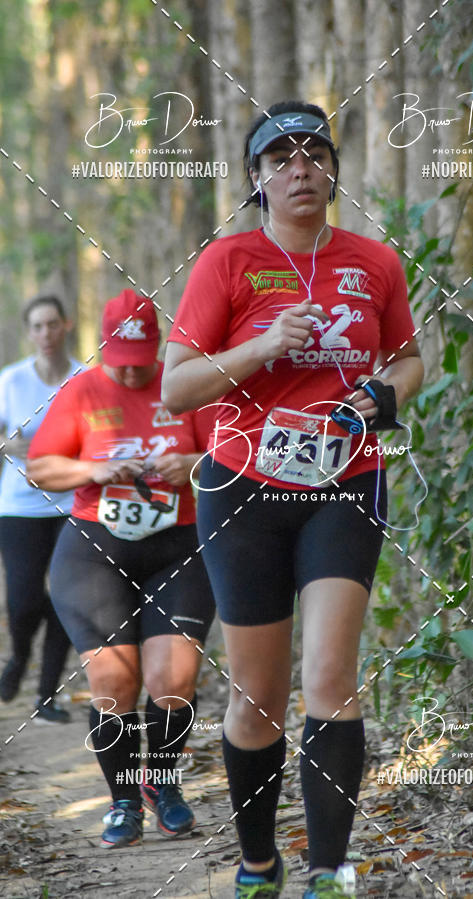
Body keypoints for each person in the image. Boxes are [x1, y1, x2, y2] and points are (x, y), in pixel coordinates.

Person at [161, 100, 424, 898]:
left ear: (333, 170)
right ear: (258, 180)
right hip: (242, 489)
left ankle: (330, 873)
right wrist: (266, 345)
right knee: (257, 697)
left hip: (345, 483)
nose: (300, 167)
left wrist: (383, 390)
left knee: (333, 675)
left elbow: (410, 357)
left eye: (313, 153)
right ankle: (257, 862)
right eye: (281, 158)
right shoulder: (228, 263)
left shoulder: (374, 262)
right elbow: (176, 387)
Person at [27, 289, 215, 848]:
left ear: (157, 348)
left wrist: (193, 463)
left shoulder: (183, 386)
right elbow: (40, 468)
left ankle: (163, 785)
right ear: (103, 348)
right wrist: (98, 468)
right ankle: (124, 801)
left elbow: (233, 456)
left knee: (173, 681)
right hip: (95, 550)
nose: (131, 376)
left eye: (141, 364)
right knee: (113, 683)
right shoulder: (82, 389)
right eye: (121, 364)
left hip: (178, 545)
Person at [0, 295, 82, 723]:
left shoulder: (85, 379)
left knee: (67, 597)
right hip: (19, 506)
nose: (46, 333)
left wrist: (52, 451)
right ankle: (17, 657)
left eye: (52, 324)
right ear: (29, 332)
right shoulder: (10, 381)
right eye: (37, 326)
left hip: (73, 502)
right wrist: (14, 446)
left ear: (66, 325)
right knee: (24, 599)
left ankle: (47, 695)